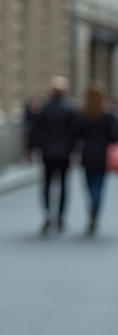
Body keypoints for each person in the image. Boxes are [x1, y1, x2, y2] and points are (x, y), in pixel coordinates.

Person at [28, 76, 78, 234]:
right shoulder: (70, 109)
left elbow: (35, 131)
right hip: (64, 152)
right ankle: (61, 217)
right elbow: (74, 133)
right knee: (63, 184)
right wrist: (74, 150)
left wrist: (31, 149)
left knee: (47, 183)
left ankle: (48, 213)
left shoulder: (44, 108)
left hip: (47, 151)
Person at [75, 81, 116, 235]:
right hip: (102, 154)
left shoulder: (83, 114)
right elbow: (114, 136)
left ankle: (91, 210)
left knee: (88, 185)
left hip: (87, 153)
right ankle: (94, 212)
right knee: (98, 185)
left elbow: (76, 134)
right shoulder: (107, 115)